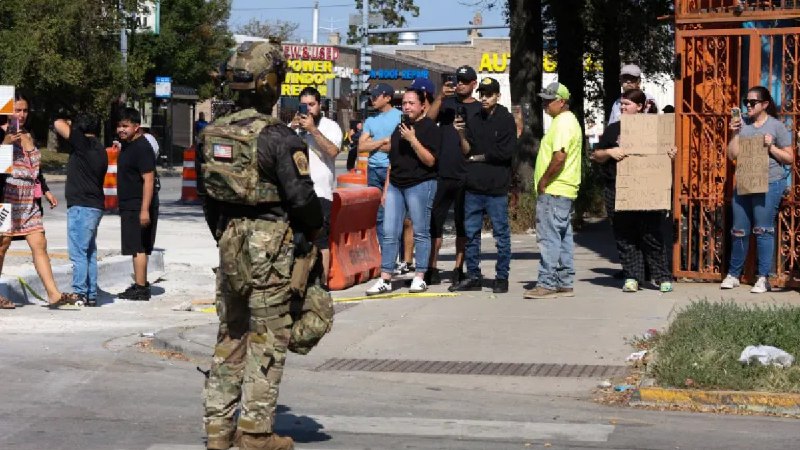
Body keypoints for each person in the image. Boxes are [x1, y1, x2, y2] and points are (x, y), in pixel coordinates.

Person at [199, 40, 323, 450]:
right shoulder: (278, 139)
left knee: (230, 335)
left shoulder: (211, 134)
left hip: (230, 241)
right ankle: (255, 433)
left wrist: (226, 237)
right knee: (269, 339)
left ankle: (218, 430)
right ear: (270, 84)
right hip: (271, 245)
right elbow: (302, 199)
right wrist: (312, 235)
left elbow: (209, 200)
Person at [590, 89, 676, 293]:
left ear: (640, 106)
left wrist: (670, 154)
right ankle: (632, 276)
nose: (623, 108)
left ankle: (661, 276)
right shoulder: (613, 129)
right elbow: (596, 155)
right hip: (618, 189)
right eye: (621, 104)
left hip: (646, 189)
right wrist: (610, 152)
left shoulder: (655, 128)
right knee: (625, 235)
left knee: (651, 234)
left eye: (627, 104)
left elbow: (666, 154)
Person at [366, 88, 440, 295]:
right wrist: (387, 187)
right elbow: (393, 161)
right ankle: (386, 278)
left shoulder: (430, 128)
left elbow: (430, 160)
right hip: (396, 185)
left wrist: (413, 140)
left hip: (420, 184)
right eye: (404, 103)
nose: (407, 107)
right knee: (389, 232)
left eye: (411, 103)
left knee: (420, 230)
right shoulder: (400, 128)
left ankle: (420, 276)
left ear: (422, 105)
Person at [721, 86, 794, 293]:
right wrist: (735, 133)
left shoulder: (776, 127)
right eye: (747, 102)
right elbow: (732, 155)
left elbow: (790, 158)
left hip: (770, 182)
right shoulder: (743, 125)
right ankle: (734, 274)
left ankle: (763, 277)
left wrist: (771, 147)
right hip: (745, 180)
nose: (748, 106)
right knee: (739, 230)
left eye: (753, 102)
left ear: (765, 104)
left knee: (763, 229)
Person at [449, 77, 516, 294]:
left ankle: (502, 276)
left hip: (496, 187)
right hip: (474, 186)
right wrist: (459, 132)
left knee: (501, 234)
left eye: (489, 94)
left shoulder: (506, 119)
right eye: (482, 94)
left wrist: (481, 157)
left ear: (498, 95)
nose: (484, 98)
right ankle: (473, 276)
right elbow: (467, 150)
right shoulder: (474, 117)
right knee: (470, 234)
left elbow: (506, 153)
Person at [0, 94, 67, 309]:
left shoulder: (29, 134)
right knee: (2, 245)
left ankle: (53, 293)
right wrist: (5, 144)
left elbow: (36, 169)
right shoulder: (1, 134)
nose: (21, 115)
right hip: (6, 198)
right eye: (17, 110)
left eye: (25, 110)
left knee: (39, 242)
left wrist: (45, 190)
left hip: (29, 199)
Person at [524, 82, 583, 299]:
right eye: (543, 100)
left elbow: (560, 156)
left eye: (549, 100)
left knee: (548, 238)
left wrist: (543, 181)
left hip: (555, 189)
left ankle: (546, 283)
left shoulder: (562, 123)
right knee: (563, 237)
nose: (545, 104)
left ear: (562, 102)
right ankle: (565, 281)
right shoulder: (568, 121)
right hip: (564, 189)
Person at [426, 65, 481, 286]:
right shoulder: (446, 104)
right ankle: (432, 267)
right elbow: (428, 122)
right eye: (458, 80)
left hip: (465, 174)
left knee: (462, 224)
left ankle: (459, 268)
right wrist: (439, 97)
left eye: (465, 81)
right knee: (434, 224)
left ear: (474, 84)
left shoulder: (479, 108)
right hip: (442, 173)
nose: (460, 84)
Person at [53, 114, 108, 307]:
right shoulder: (100, 148)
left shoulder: (83, 144)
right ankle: (91, 293)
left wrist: (69, 124)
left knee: (78, 253)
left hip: (81, 207)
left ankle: (80, 293)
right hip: (94, 206)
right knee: (89, 252)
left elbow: (57, 123)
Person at [290, 87, 343, 283]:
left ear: (320, 105)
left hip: (320, 192)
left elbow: (332, 151)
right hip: (296, 192)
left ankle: (323, 282)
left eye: (312, 104)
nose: (308, 109)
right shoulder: (293, 127)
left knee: (320, 239)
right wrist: (292, 128)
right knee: (295, 238)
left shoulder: (330, 126)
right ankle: (298, 281)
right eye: (304, 105)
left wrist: (313, 129)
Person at [115, 108, 159, 301]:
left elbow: (149, 180)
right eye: (119, 126)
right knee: (136, 246)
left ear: (136, 127)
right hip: (129, 203)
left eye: (125, 126)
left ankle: (141, 289)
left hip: (138, 204)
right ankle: (141, 283)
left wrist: (144, 210)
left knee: (139, 247)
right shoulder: (128, 145)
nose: (121, 129)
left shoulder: (142, 148)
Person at [359, 83, 402, 252]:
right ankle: (386, 254)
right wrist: (383, 141)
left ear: (388, 98)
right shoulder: (370, 120)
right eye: (372, 96)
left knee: (394, 214)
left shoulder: (399, 116)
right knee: (377, 215)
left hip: (391, 169)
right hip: (373, 170)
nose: (372, 99)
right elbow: (361, 147)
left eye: (376, 96)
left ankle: (397, 254)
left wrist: (374, 144)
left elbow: (395, 147)